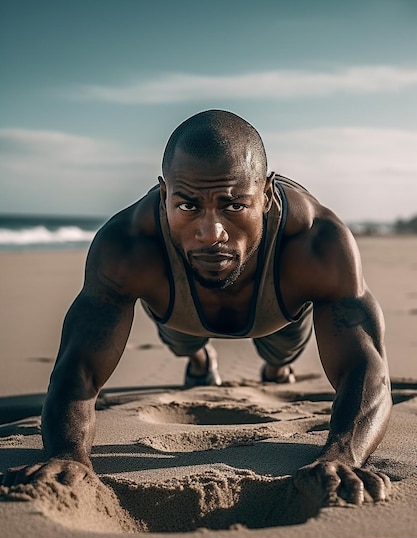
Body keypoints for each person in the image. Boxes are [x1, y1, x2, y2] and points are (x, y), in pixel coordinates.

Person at [0, 110, 392, 506]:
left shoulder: (316, 240)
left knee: (282, 350)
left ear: (268, 194)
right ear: (165, 192)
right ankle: (201, 358)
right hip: (180, 310)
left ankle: (277, 366)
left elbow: (364, 366)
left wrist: (344, 453)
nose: (211, 233)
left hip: (279, 310)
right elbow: (79, 366)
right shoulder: (127, 244)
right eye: (188, 206)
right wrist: (67, 454)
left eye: (234, 205)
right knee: (185, 343)